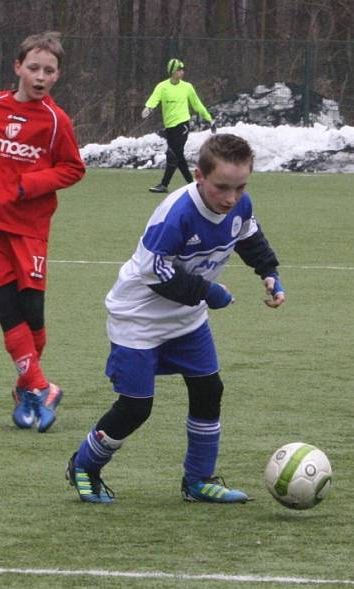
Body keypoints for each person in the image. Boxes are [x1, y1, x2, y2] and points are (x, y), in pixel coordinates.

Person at [66, 134, 285, 504]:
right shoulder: (177, 213)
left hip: (186, 318)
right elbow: (155, 272)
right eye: (221, 188)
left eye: (240, 187)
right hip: (138, 317)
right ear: (198, 176)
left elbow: (249, 235)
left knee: (208, 390)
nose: (230, 198)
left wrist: (269, 271)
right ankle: (84, 466)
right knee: (136, 407)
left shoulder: (239, 205)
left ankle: (198, 481)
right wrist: (209, 292)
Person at [0, 31, 85, 432]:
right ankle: (41, 387)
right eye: (34, 68)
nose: (41, 76)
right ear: (18, 67)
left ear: (57, 76)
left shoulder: (57, 122)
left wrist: (29, 184)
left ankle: (29, 388)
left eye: (50, 71)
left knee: (32, 316)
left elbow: (74, 168)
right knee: (7, 312)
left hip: (30, 230)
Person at [142, 58, 216, 194]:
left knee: (173, 153)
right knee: (177, 155)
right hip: (170, 127)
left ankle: (167, 184)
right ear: (172, 71)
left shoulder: (187, 87)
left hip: (183, 124)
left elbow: (197, 104)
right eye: (179, 69)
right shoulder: (162, 86)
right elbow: (154, 98)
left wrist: (209, 119)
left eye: (182, 69)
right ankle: (192, 184)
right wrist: (148, 107)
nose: (182, 72)